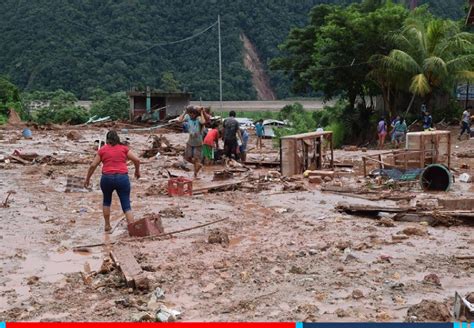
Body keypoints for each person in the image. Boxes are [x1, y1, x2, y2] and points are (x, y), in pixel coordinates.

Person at [84, 130, 140, 233]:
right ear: (117, 138)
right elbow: (136, 160)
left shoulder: (102, 150)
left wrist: (87, 179)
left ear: (107, 139)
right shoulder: (124, 148)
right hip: (122, 178)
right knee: (126, 204)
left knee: (106, 201)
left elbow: (93, 165)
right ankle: (132, 228)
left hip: (107, 179)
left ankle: (107, 225)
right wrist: (137, 171)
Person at [178, 106, 206, 177]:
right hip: (190, 142)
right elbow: (180, 120)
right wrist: (184, 112)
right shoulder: (188, 118)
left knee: (196, 159)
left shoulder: (198, 118)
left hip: (198, 142)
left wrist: (202, 112)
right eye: (190, 114)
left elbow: (203, 122)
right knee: (187, 157)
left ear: (196, 114)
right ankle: (198, 166)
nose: (191, 115)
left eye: (192, 114)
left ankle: (195, 174)